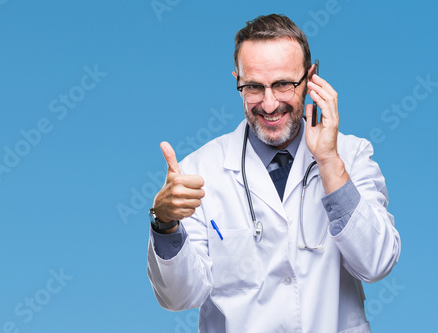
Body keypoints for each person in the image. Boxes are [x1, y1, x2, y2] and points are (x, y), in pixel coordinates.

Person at [147, 13, 400, 333]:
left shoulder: (351, 155)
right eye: (254, 87)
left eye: (283, 84)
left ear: (310, 79)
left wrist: (328, 162)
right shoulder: (199, 171)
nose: (268, 105)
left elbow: (376, 263)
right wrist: (165, 224)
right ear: (237, 81)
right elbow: (179, 297)